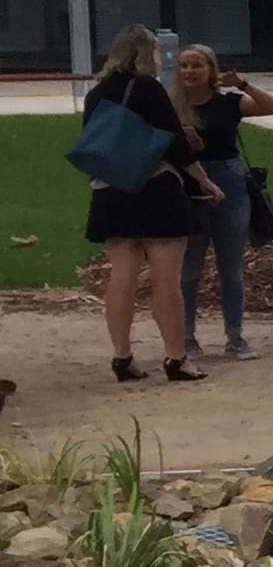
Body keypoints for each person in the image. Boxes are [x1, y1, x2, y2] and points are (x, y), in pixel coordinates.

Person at [81, 24, 219, 383]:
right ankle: (175, 356)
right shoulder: (148, 88)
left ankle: (121, 355)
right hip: (156, 188)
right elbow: (174, 143)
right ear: (147, 53)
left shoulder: (96, 93)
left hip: (111, 189)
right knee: (165, 278)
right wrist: (204, 180)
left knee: (121, 275)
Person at [173, 43, 273, 362]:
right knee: (189, 267)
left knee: (231, 265)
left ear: (211, 70)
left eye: (197, 65)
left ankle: (235, 335)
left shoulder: (229, 102)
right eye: (184, 65)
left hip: (230, 181)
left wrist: (243, 84)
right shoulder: (172, 105)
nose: (190, 71)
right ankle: (186, 336)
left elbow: (272, 107)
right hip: (189, 185)